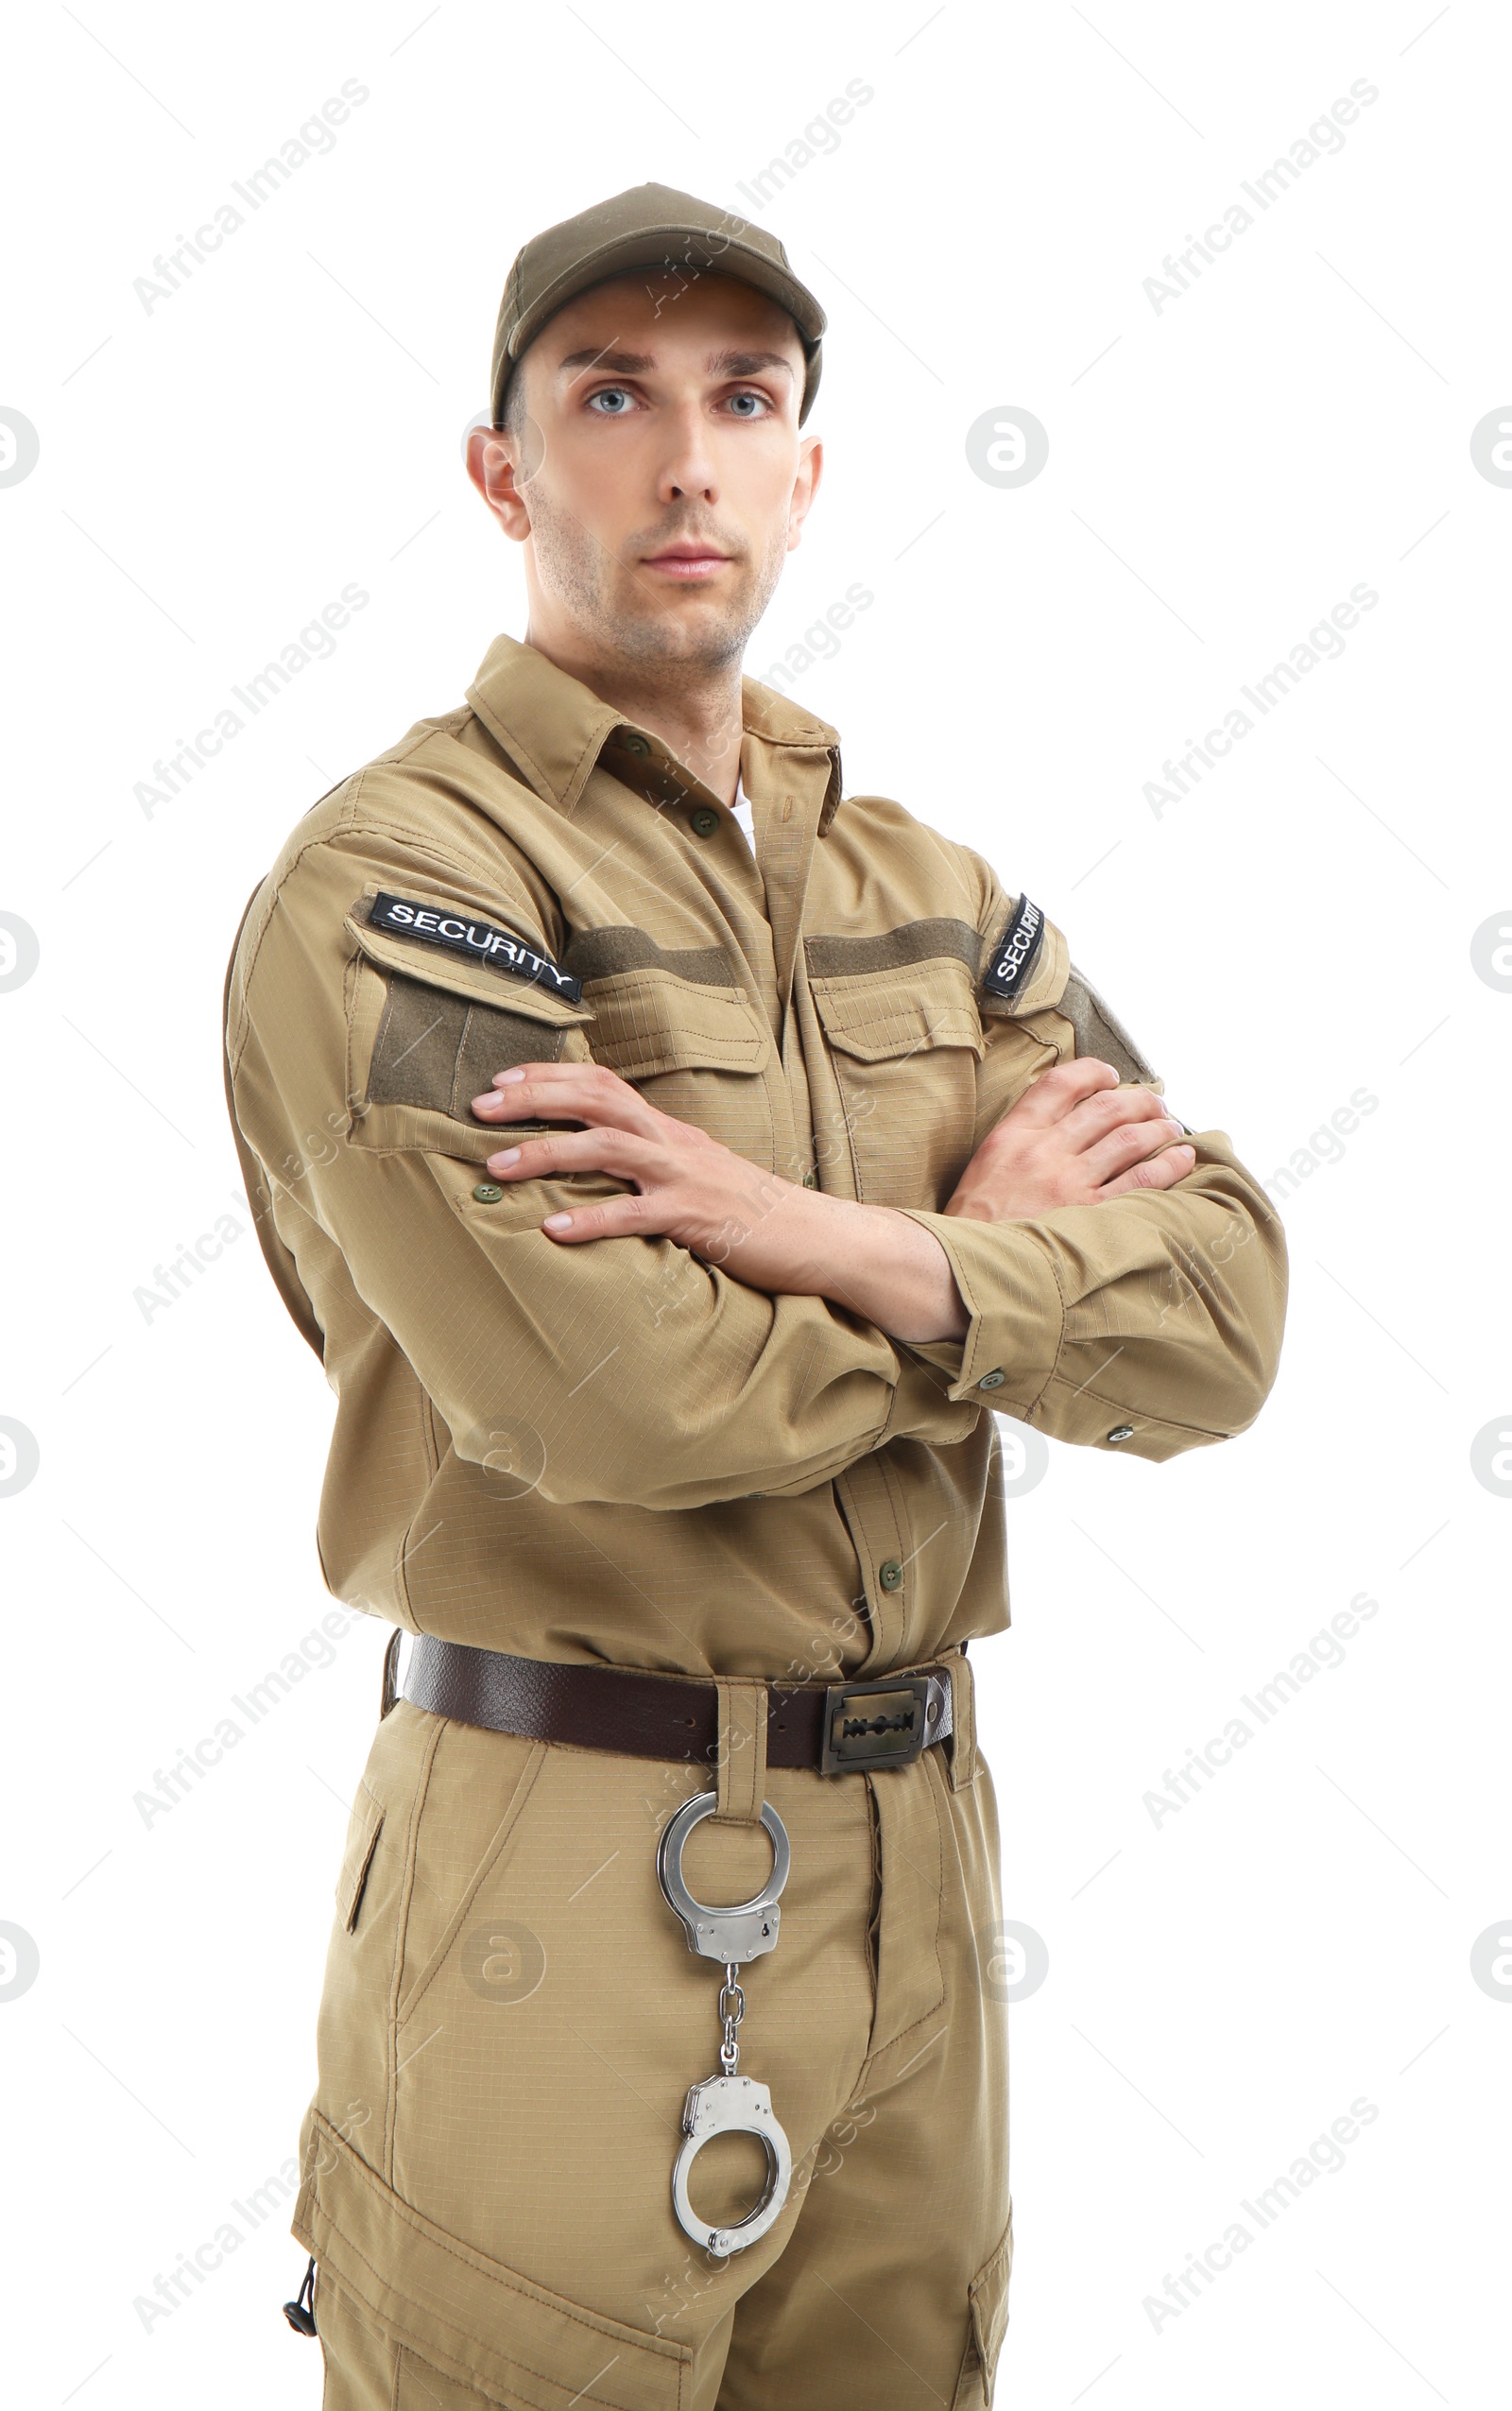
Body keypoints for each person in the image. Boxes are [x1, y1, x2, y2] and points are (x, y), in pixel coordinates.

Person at [224, 181, 1286, 2410]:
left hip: (923, 1851)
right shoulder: (407, 885)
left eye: (744, 397)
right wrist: (998, 1264)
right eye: (609, 395)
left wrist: (818, 1232)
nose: (682, 457)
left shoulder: (933, 897)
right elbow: (607, 1391)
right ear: (504, 472)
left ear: (808, 462)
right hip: (570, 1859)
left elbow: (1215, 1324)